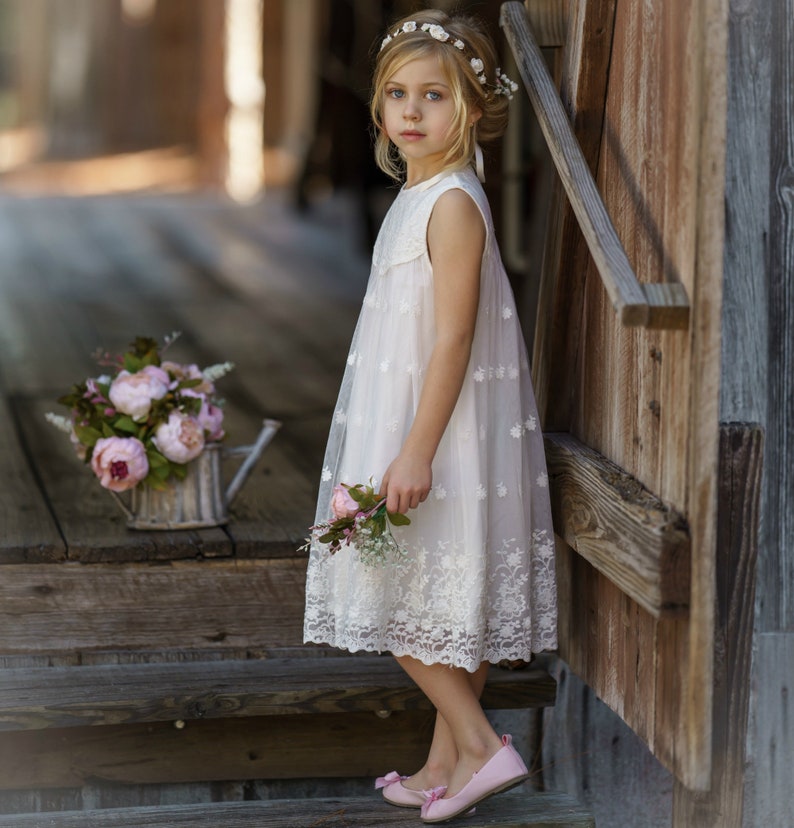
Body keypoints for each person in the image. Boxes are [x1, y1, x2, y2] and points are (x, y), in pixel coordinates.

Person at [303, 9, 557, 823]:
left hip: (435, 434)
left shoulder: (452, 204)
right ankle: (443, 766)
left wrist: (415, 451)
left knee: (390, 591)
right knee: (442, 608)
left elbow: (451, 339)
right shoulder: (417, 197)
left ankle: (483, 745)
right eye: (398, 95)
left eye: (435, 96)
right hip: (409, 422)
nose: (412, 112)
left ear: (474, 108)